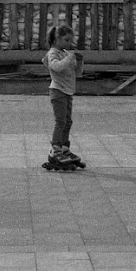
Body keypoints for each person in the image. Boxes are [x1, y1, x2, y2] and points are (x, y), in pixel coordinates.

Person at [43, 24, 86, 169]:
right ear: (57, 39)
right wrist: (69, 58)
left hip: (68, 92)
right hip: (57, 92)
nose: (70, 44)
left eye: (71, 41)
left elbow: (78, 73)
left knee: (68, 122)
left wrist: (79, 61)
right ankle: (55, 150)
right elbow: (56, 67)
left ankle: (64, 148)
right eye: (67, 40)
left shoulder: (66, 54)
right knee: (60, 121)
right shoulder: (53, 53)